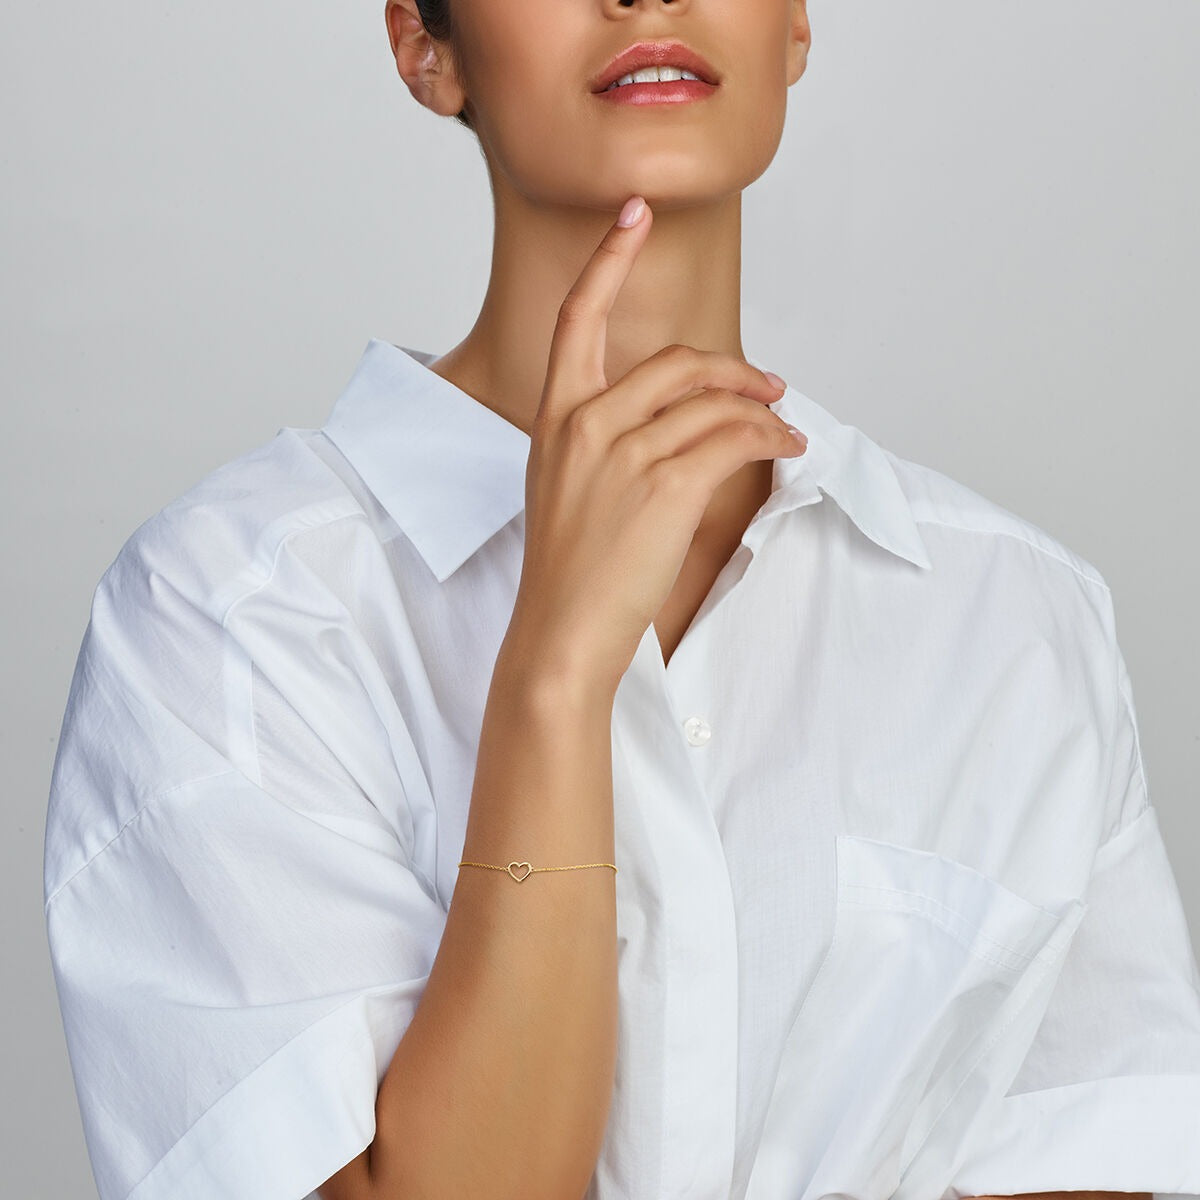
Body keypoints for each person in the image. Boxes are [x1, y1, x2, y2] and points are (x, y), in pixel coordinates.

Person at [42, 2, 1200, 1199]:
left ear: (795, 27)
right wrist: (555, 677)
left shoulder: (1018, 616)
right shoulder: (229, 620)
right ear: (427, 47)